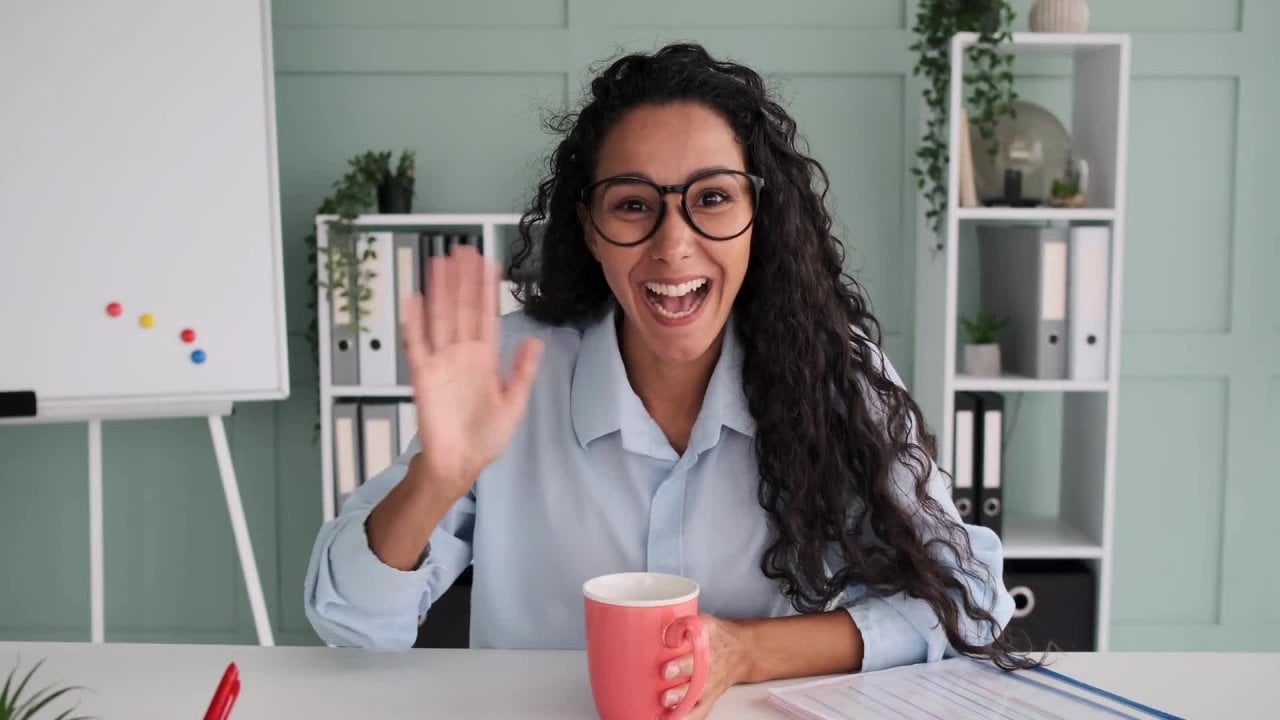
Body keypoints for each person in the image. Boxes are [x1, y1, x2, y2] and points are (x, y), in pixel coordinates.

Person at [305, 42, 1019, 718]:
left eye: (711, 199)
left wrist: (745, 652)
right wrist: (437, 478)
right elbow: (352, 621)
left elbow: (973, 594)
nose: (673, 246)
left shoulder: (838, 372)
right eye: (633, 205)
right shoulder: (508, 373)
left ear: (756, 219)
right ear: (589, 227)